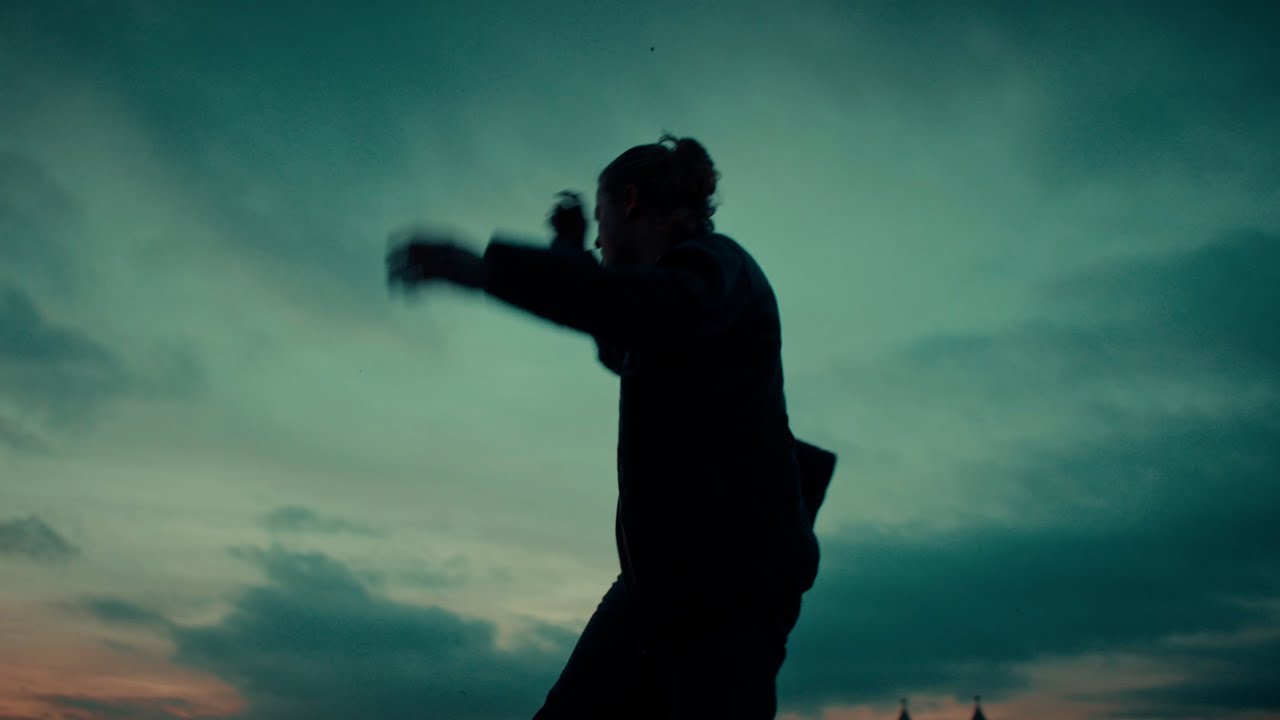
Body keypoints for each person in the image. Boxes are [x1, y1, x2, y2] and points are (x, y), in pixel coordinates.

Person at [386, 134, 836, 719]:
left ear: (629, 201)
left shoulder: (720, 269)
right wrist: (567, 249)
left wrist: (482, 270)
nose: (600, 239)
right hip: (663, 585)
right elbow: (617, 334)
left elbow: (631, 306)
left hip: (732, 584)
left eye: (601, 220)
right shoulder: (671, 304)